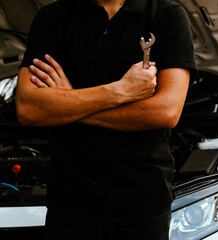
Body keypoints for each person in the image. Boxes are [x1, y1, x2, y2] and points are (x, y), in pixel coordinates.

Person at [15, 0, 196, 239]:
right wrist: (120, 91)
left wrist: (68, 103)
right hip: (69, 205)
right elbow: (28, 109)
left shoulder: (167, 15)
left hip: (142, 207)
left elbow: (165, 112)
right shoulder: (52, 18)